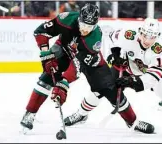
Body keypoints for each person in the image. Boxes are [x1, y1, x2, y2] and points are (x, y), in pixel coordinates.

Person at [20, 3, 154, 134]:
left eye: (90, 26)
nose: (85, 29)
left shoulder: (94, 38)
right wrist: (46, 54)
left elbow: (78, 64)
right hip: (64, 50)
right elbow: (41, 31)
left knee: (111, 91)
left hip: (93, 64)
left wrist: (64, 83)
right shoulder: (65, 19)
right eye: (83, 24)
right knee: (47, 77)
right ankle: (30, 113)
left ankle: (133, 122)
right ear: (79, 18)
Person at [64, 18, 162, 132]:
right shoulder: (128, 35)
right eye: (145, 35)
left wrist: (132, 81)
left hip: (147, 74)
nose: (147, 40)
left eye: (152, 37)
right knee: (100, 87)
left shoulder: (160, 49)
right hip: (125, 66)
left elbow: (152, 76)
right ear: (140, 31)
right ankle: (81, 114)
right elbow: (110, 36)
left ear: (157, 36)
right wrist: (114, 54)